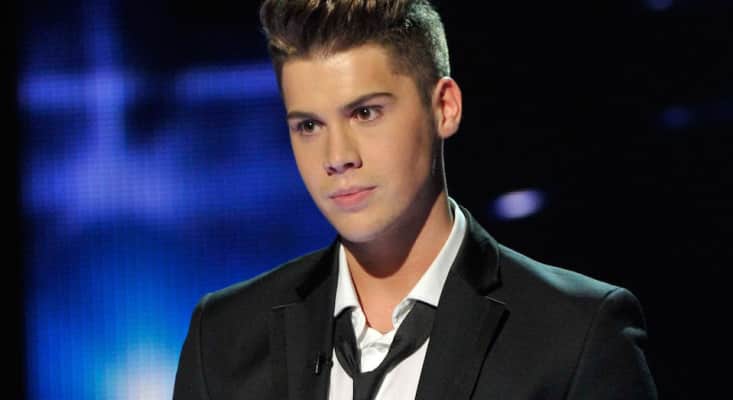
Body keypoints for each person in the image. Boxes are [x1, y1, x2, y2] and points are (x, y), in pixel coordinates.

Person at [173, 1, 658, 399]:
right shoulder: (223, 337)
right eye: (309, 125)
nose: (337, 157)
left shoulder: (575, 335)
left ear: (444, 107)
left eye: (366, 113)